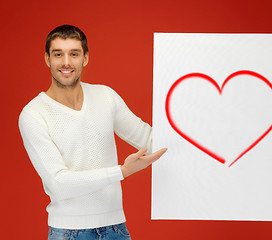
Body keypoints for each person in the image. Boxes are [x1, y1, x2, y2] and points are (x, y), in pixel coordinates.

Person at [18, 24, 167, 240]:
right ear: (47, 59)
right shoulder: (33, 114)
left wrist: (206, 129)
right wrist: (122, 171)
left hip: (116, 228)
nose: (66, 62)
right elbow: (58, 183)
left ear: (85, 58)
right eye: (58, 54)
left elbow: (150, 139)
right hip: (68, 233)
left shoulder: (105, 96)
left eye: (74, 54)